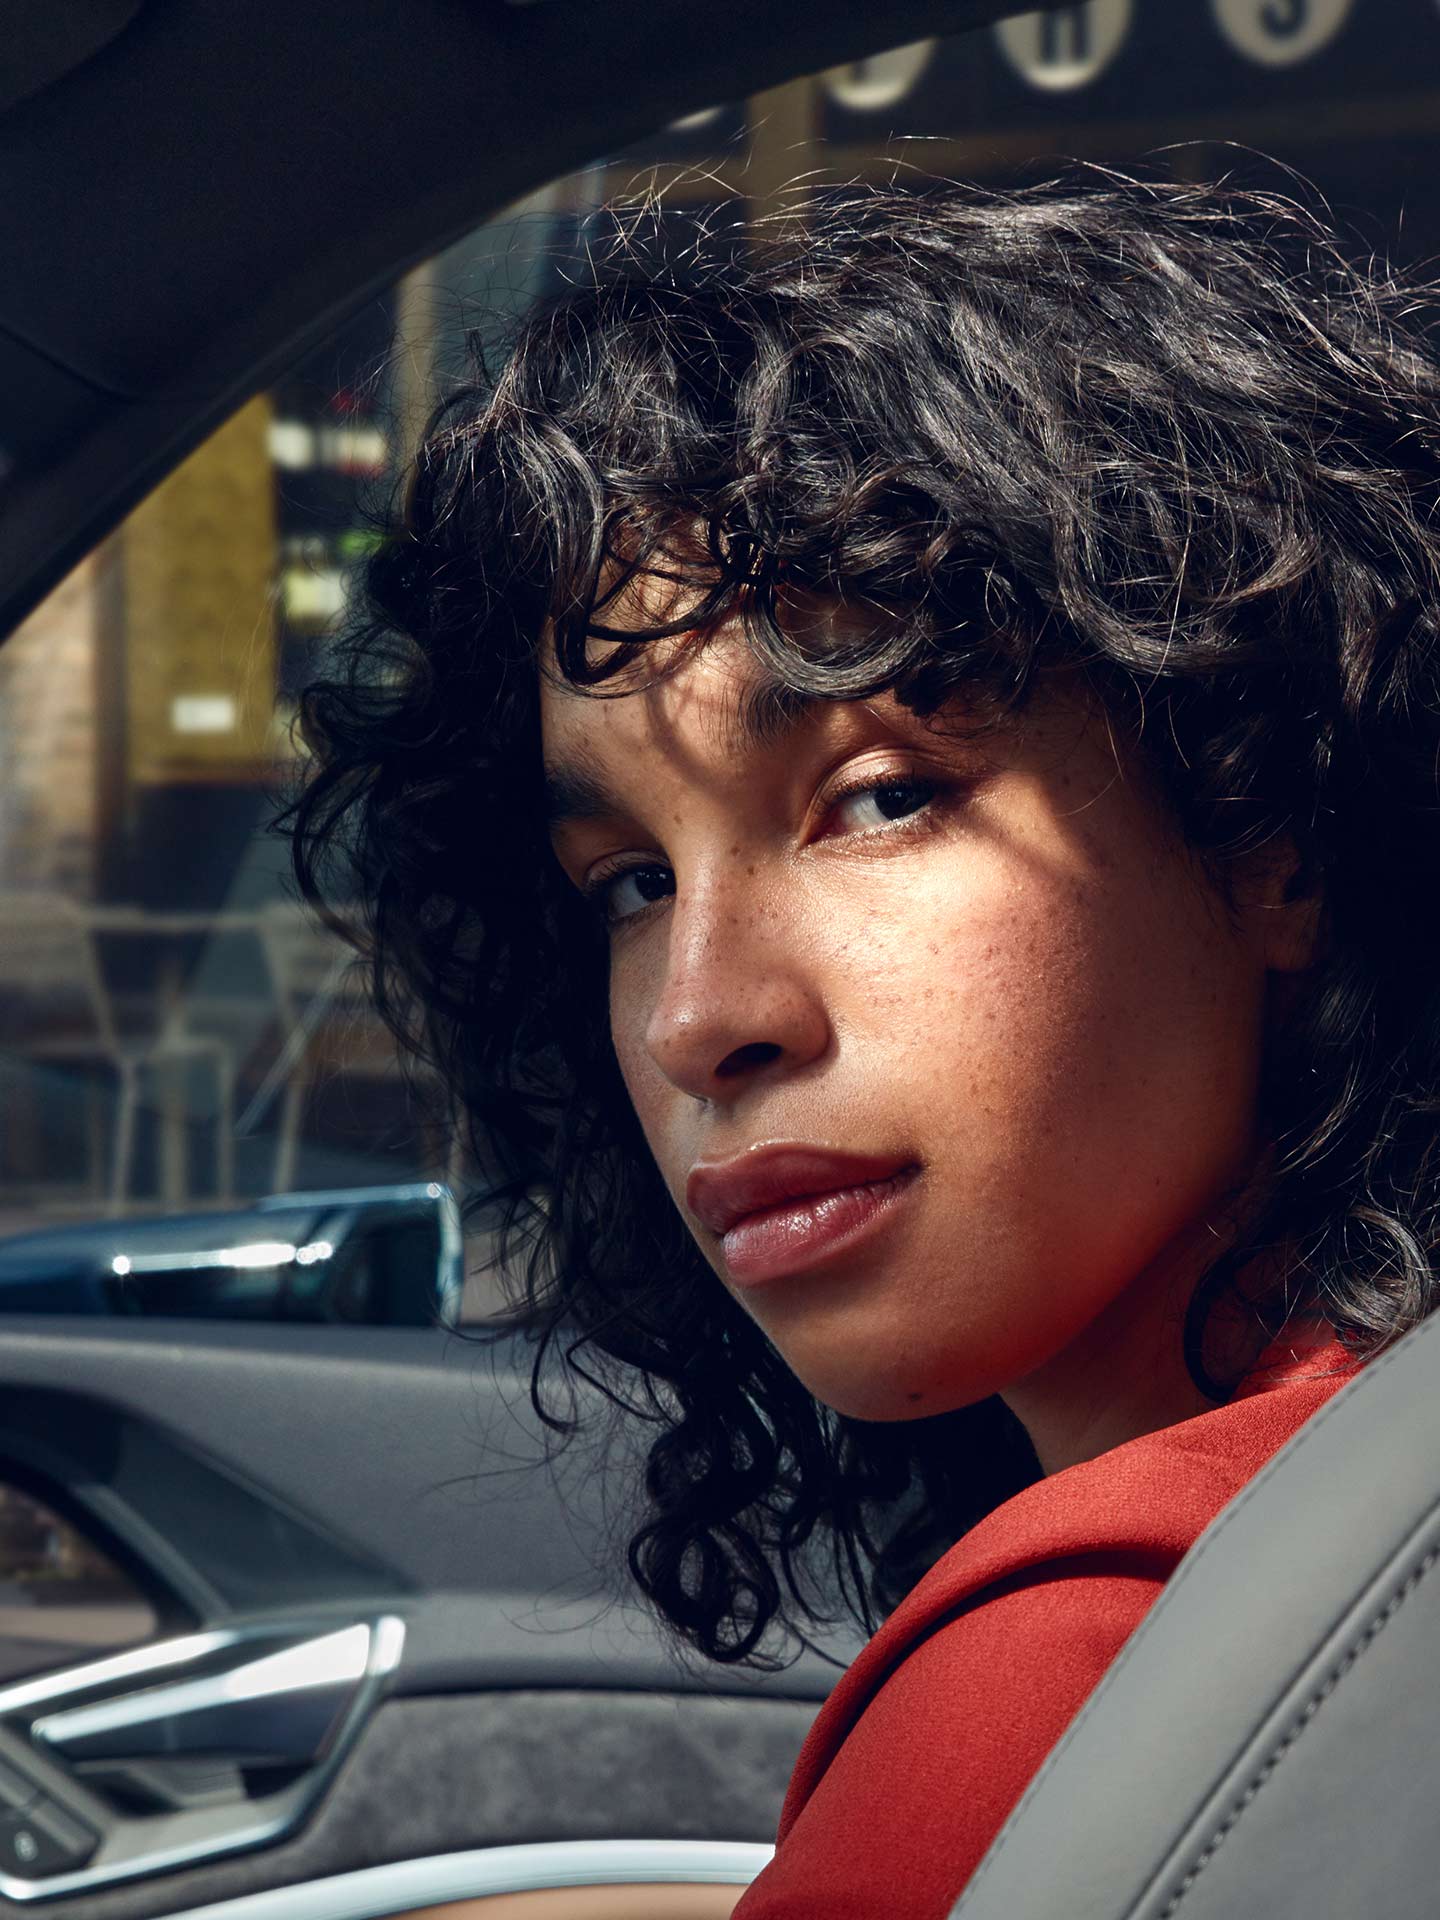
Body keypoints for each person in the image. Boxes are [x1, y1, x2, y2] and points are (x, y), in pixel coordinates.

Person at [288, 167, 1440, 1916]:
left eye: (878, 797)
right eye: (624, 885)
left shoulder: (1104, 1651)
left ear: (1270, 823)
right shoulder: (1349, 1481)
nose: (700, 1018)